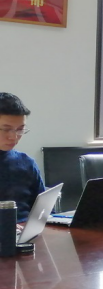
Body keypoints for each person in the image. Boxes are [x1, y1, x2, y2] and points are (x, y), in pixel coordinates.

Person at [0, 93, 45, 223]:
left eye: (20, 129)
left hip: (27, 230)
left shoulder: (26, 162)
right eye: (6, 129)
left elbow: (43, 210)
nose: (14, 137)